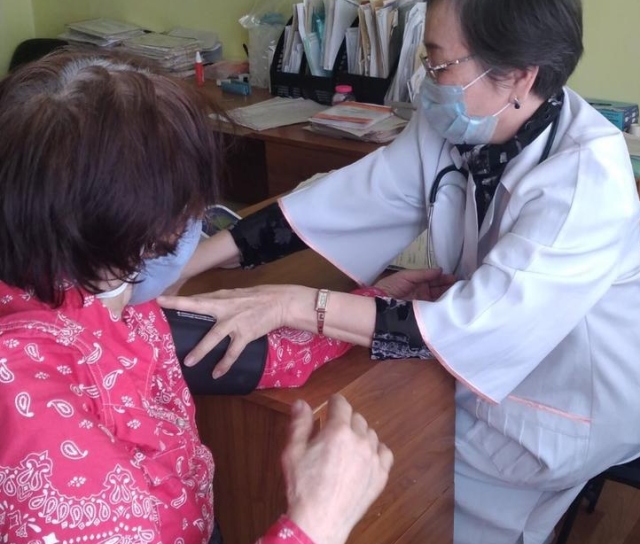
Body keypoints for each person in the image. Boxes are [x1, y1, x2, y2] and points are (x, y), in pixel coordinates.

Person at [162, 0, 640, 544]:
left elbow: (474, 327)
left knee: (409, 473)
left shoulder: (586, 179)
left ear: (518, 76)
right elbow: (344, 201)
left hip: (574, 402)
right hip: (501, 364)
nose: (427, 81)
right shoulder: (461, 123)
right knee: (393, 435)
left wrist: (296, 305)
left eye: (440, 64)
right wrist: (193, 259)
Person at [0, 51, 395, 544]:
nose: (200, 219)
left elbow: (240, 347)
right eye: (191, 208)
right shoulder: (25, 398)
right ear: (142, 227)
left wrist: (378, 307)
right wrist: (319, 521)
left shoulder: (106, 295)